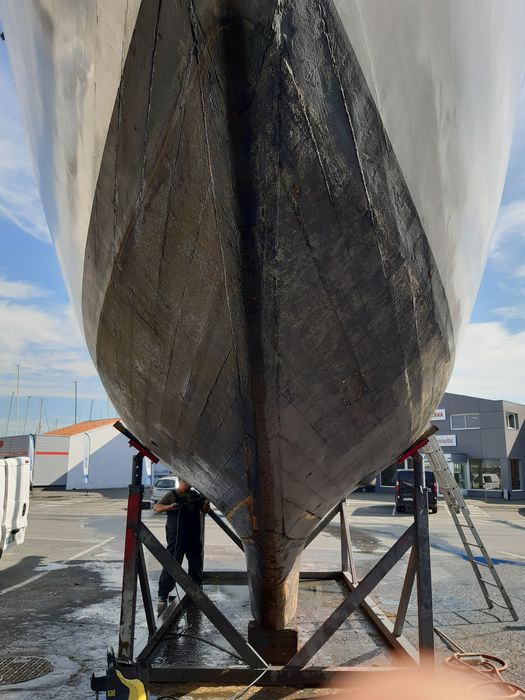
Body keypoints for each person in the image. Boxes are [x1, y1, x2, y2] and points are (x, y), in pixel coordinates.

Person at [154, 479, 209, 614]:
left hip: (193, 536)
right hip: (177, 537)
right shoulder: (171, 495)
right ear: (179, 481)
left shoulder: (195, 495)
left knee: (195, 564)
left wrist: (207, 501)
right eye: (185, 483)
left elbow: (204, 509)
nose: (188, 485)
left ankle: (195, 591)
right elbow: (157, 508)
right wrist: (169, 507)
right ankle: (163, 593)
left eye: (189, 483)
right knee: (172, 564)